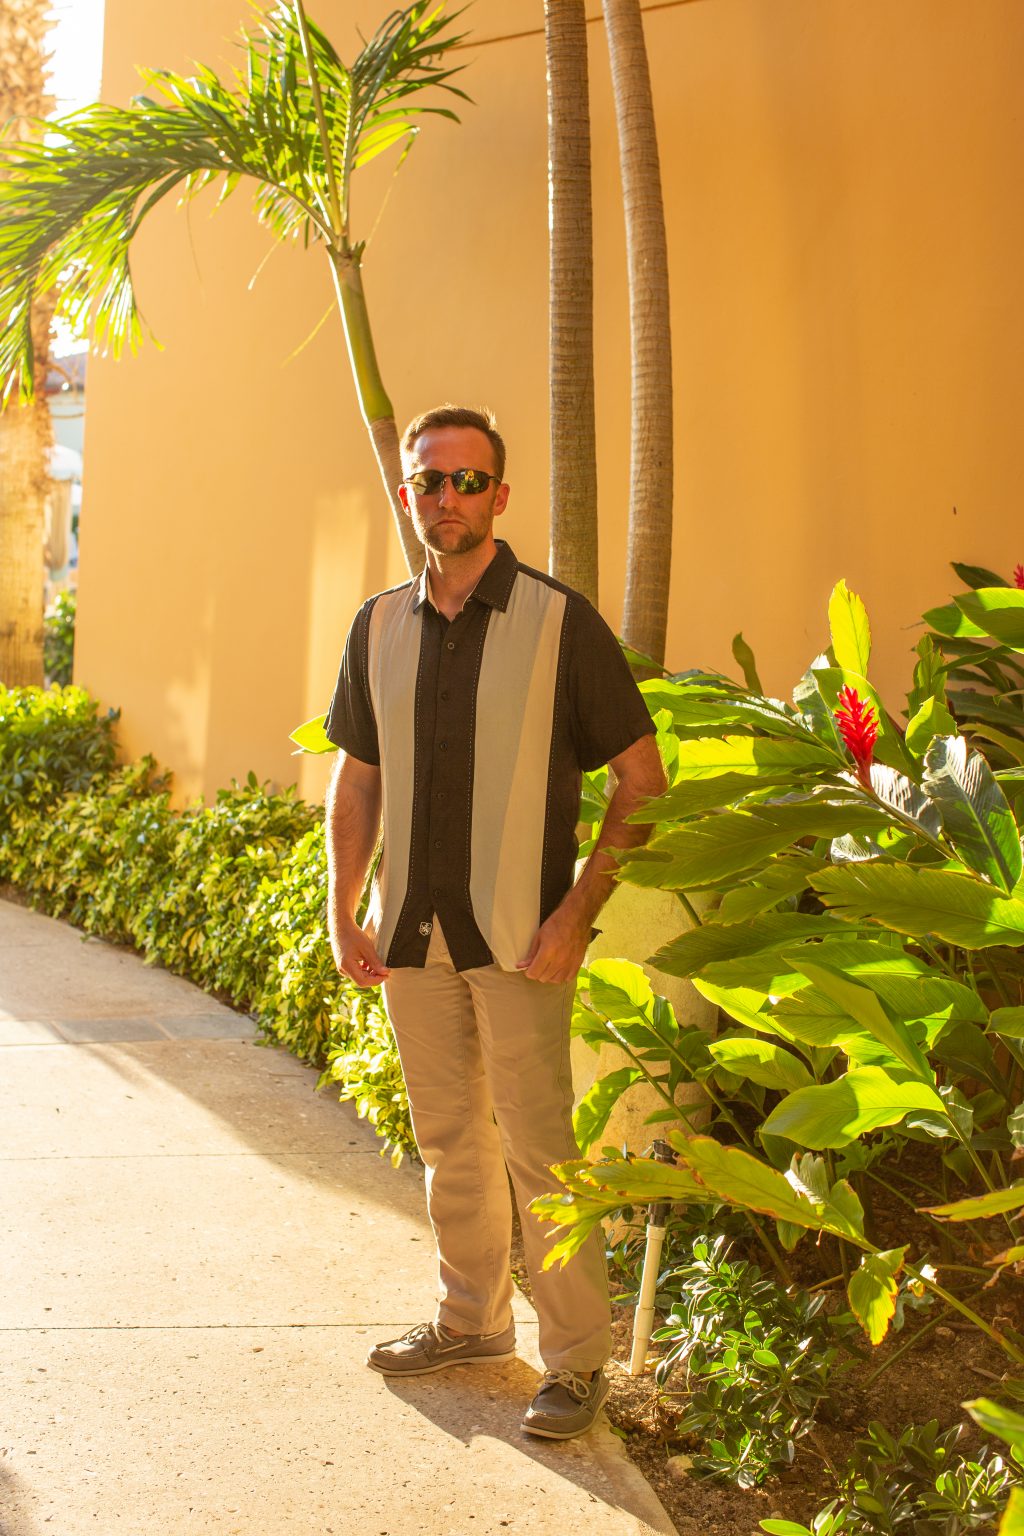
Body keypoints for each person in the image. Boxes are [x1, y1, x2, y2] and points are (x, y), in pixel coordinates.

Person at [324, 404, 666, 1440]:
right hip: (412, 935)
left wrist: (575, 913)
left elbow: (643, 785)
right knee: (448, 1142)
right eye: (430, 481)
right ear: (408, 495)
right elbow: (357, 777)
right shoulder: (378, 622)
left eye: (468, 481)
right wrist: (342, 908)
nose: (448, 498)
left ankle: (575, 1362)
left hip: (522, 939)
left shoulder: (562, 623)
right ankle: (470, 1322)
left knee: (542, 1151)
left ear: (501, 497)